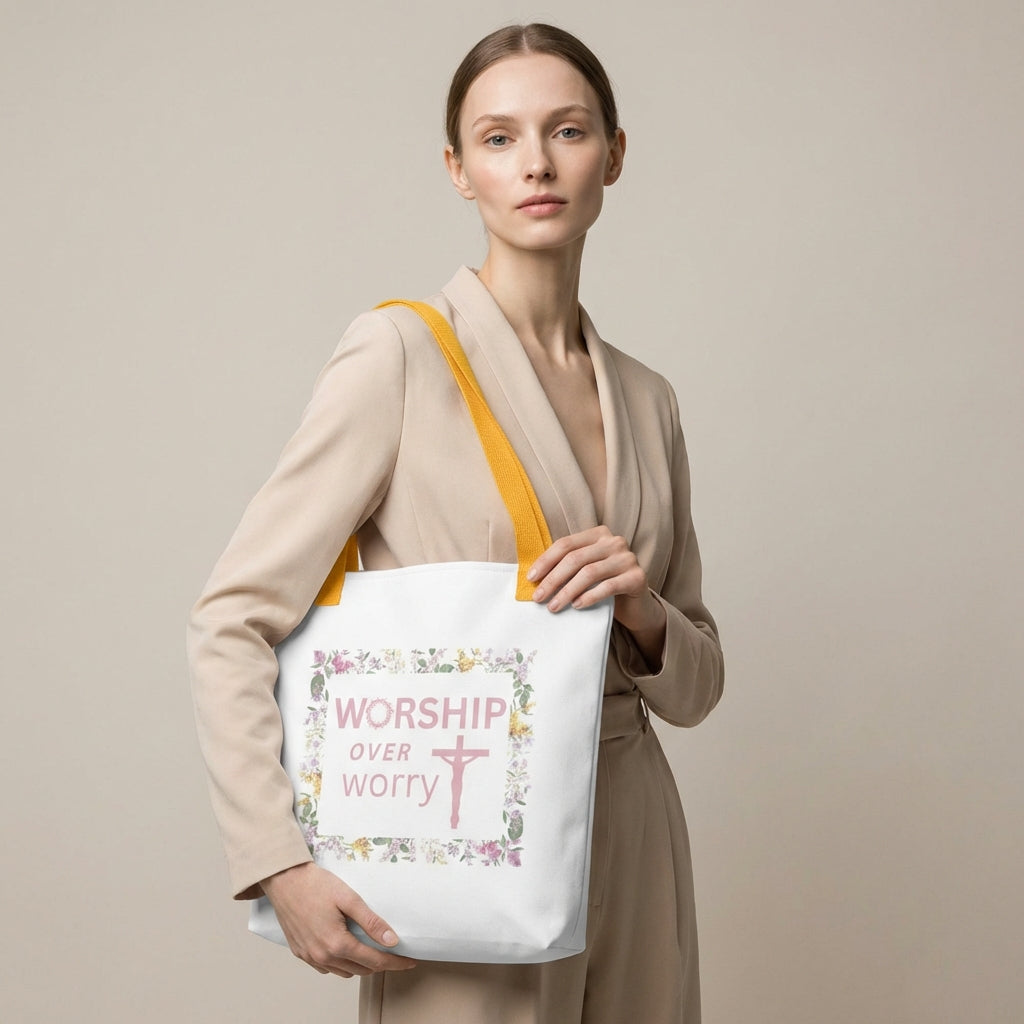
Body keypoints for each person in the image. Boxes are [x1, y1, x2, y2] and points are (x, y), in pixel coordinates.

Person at [188, 22, 724, 1024]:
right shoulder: (399, 355)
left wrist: (641, 606)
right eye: (497, 137)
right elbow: (232, 618)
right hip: (466, 835)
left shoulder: (648, 399)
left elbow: (699, 685)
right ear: (456, 168)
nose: (534, 163)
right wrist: (278, 860)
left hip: (636, 836)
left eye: (565, 131)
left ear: (612, 153)